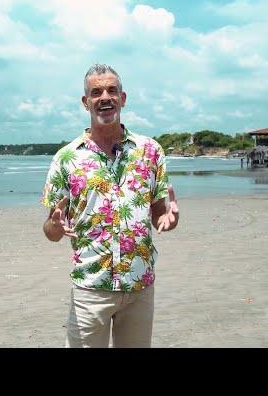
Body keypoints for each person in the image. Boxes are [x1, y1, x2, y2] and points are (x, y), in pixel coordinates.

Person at [41, 63, 179, 348]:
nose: (105, 96)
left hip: (140, 284)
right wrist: (54, 226)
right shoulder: (67, 158)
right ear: (86, 102)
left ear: (123, 98)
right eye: (96, 92)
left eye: (111, 90)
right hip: (91, 287)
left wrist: (169, 219)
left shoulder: (150, 151)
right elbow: (52, 231)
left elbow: (159, 214)